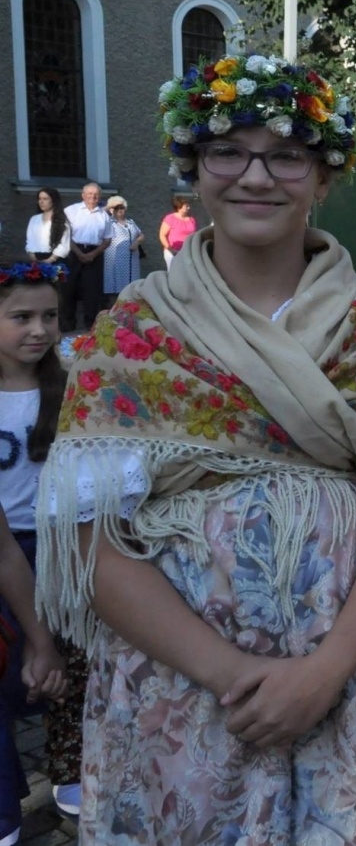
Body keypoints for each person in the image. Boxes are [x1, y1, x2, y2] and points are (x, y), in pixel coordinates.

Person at [34, 52, 356, 843]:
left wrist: (323, 673)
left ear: (325, 175)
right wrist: (234, 677)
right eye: (228, 149)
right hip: (187, 689)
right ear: (193, 169)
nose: (256, 176)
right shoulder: (136, 329)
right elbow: (90, 538)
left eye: (288, 154)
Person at [0, 263, 73, 846]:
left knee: (71, 668)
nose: (39, 329)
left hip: (64, 544)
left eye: (49, 316)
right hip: (5, 548)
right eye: (21, 317)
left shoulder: (69, 386)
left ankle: (76, 778)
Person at [60, 184, 109, 332]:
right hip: (73, 252)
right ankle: (67, 326)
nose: (92, 197)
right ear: (83, 195)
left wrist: (93, 254)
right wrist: (79, 253)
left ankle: (90, 326)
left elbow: (108, 239)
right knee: (69, 289)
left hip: (95, 253)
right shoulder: (70, 211)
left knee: (92, 291)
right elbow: (64, 234)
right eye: (89, 194)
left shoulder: (104, 215)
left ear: (99, 197)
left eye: (96, 195)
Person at [99, 196, 143, 306]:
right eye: (117, 208)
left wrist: (137, 241)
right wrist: (109, 206)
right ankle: (115, 309)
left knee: (131, 286)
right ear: (112, 209)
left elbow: (141, 235)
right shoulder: (108, 222)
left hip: (131, 259)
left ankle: (129, 308)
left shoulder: (131, 222)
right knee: (115, 286)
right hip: (114, 259)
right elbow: (97, 214)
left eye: (122, 207)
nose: (120, 210)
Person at [24, 189, 70, 267]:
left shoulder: (62, 220)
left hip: (55, 260)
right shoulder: (34, 219)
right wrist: (33, 257)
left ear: (53, 201)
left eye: (45, 199)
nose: (41, 202)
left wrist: (50, 260)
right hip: (36, 259)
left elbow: (64, 244)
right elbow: (30, 240)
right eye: (40, 199)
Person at [158, 194, 198, 269]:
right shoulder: (170, 218)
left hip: (187, 252)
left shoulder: (192, 219)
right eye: (186, 206)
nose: (189, 208)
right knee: (173, 272)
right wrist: (170, 249)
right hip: (173, 252)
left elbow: (194, 235)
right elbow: (162, 235)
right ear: (179, 207)